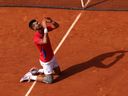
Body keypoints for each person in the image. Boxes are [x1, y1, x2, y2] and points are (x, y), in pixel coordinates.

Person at [20, 17, 61, 84]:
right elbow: (45, 41)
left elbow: (56, 26)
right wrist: (45, 29)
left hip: (52, 57)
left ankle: (37, 71)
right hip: (46, 61)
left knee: (58, 73)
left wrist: (51, 21)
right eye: (35, 25)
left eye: (37, 22)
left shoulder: (43, 30)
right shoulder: (36, 38)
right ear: (34, 29)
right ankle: (30, 76)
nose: (38, 24)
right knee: (49, 80)